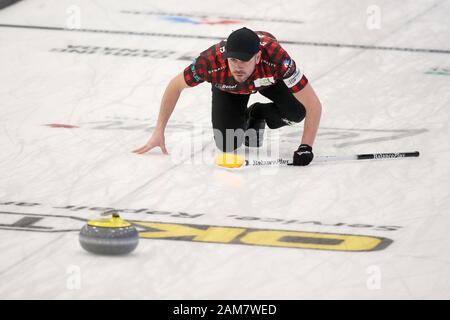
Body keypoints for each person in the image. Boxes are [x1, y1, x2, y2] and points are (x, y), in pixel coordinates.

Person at [133, 27, 322, 166]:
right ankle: (246, 118)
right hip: (229, 88)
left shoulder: (277, 59)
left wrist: (306, 146)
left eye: (244, 60)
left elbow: (313, 105)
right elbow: (174, 87)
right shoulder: (209, 62)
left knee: (297, 112)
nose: (238, 66)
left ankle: (258, 113)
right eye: (233, 60)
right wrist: (159, 130)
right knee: (227, 143)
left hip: (267, 80)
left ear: (257, 57)